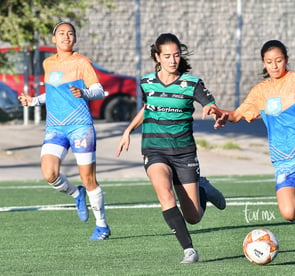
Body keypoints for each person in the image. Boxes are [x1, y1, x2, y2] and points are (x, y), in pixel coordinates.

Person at [211, 40, 295, 261]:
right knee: (289, 213)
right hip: (283, 159)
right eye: (269, 62)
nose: (275, 65)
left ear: (286, 59)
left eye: (279, 60)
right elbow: (238, 114)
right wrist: (223, 113)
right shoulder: (260, 92)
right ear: (264, 64)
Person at [116, 33, 226, 264]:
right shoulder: (146, 82)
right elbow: (148, 108)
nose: (173, 60)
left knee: (193, 217)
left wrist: (213, 111)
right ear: (157, 57)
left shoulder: (192, 83)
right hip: (154, 149)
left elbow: (211, 104)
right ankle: (189, 250)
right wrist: (128, 130)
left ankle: (203, 189)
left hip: (184, 152)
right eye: (167, 56)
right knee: (165, 194)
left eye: (176, 55)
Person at [18, 22, 110, 240]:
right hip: (55, 127)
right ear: (54, 39)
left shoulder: (81, 62)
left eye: (70, 34)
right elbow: (51, 94)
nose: (66, 37)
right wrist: (32, 102)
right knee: (49, 174)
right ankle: (77, 194)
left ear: (75, 39)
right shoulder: (48, 63)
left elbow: (98, 90)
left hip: (80, 126)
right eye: (61, 33)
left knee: (89, 179)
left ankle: (102, 226)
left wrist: (84, 93)